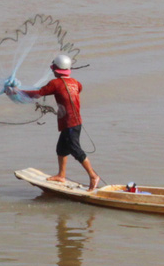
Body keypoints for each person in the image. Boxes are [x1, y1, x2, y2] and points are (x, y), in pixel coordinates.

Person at [14, 54, 100, 190]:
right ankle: (61, 175)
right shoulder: (76, 83)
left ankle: (93, 175)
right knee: (61, 149)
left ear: (57, 69)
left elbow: (38, 93)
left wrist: (18, 92)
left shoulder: (55, 83)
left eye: (53, 69)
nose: (52, 71)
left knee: (75, 149)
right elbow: (77, 91)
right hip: (76, 122)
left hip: (70, 123)